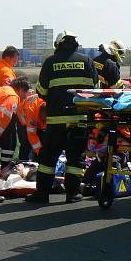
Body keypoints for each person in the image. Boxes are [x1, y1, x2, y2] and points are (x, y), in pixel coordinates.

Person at [27, 31, 98, 204]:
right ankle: (72, 194)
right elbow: (96, 88)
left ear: (57, 44)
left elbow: (42, 92)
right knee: (76, 157)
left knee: (48, 157)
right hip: (80, 118)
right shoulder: (87, 61)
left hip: (56, 120)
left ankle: (42, 194)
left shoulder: (50, 62)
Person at [16, 92, 46, 161]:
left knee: (41, 138)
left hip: (34, 119)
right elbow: (31, 135)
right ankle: (23, 161)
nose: (46, 119)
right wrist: (40, 152)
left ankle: (37, 160)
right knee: (26, 142)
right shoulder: (31, 111)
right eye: (45, 117)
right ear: (41, 112)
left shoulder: (49, 108)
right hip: (23, 119)